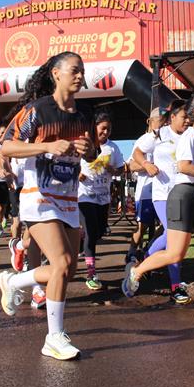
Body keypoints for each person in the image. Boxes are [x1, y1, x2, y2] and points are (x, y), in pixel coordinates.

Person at [0, 51, 97, 360]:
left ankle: (13, 281)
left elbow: (92, 156)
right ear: (56, 74)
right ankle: (54, 337)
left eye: (82, 71)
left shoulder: (83, 116)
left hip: (67, 198)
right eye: (74, 71)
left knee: (66, 269)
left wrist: (89, 149)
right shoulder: (37, 110)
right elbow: (7, 145)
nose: (80, 76)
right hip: (37, 196)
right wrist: (47, 146)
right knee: (62, 262)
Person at [122, 95, 194, 320]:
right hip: (184, 196)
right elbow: (183, 166)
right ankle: (137, 271)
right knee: (175, 253)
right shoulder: (190, 135)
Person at [131, 99, 192, 304]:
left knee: (174, 237)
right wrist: (147, 164)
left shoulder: (191, 136)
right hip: (163, 194)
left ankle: (146, 257)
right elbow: (137, 152)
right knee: (173, 237)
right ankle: (176, 286)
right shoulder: (159, 134)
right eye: (184, 117)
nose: (187, 121)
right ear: (173, 117)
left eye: (189, 117)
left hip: (184, 193)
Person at [77, 111, 124, 290]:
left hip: (103, 197)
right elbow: (71, 162)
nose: (106, 132)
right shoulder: (84, 144)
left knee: (98, 232)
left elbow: (121, 169)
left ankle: (81, 240)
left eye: (109, 129)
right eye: (103, 128)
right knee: (90, 232)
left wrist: (114, 170)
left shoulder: (113, 148)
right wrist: (77, 174)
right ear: (94, 127)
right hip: (84, 195)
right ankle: (91, 273)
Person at [127, 107, 164, 263]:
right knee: (142, 227)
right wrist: (149, 165)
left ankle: (149, 251)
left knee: (166, 225)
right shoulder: (144, 140)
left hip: (164, 191)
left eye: (167, 120)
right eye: (162, 120)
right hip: (147, 191)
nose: (165, 124)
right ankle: (131, 254)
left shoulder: (169, 139)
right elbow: (131, 165)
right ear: (151, 121)